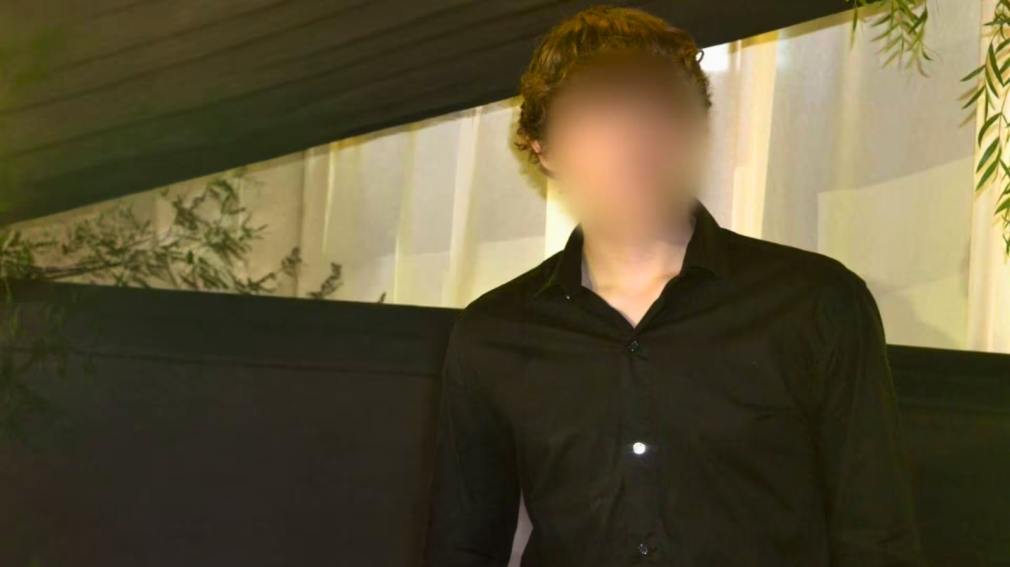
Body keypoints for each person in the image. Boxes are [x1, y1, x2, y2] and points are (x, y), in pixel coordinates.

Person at [422, 5, 923, 567]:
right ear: (545, 149)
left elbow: (878, 541)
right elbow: (463, 546)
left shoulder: (815, 303)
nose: (633, 143)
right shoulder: (495, 333)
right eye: (599, 116)